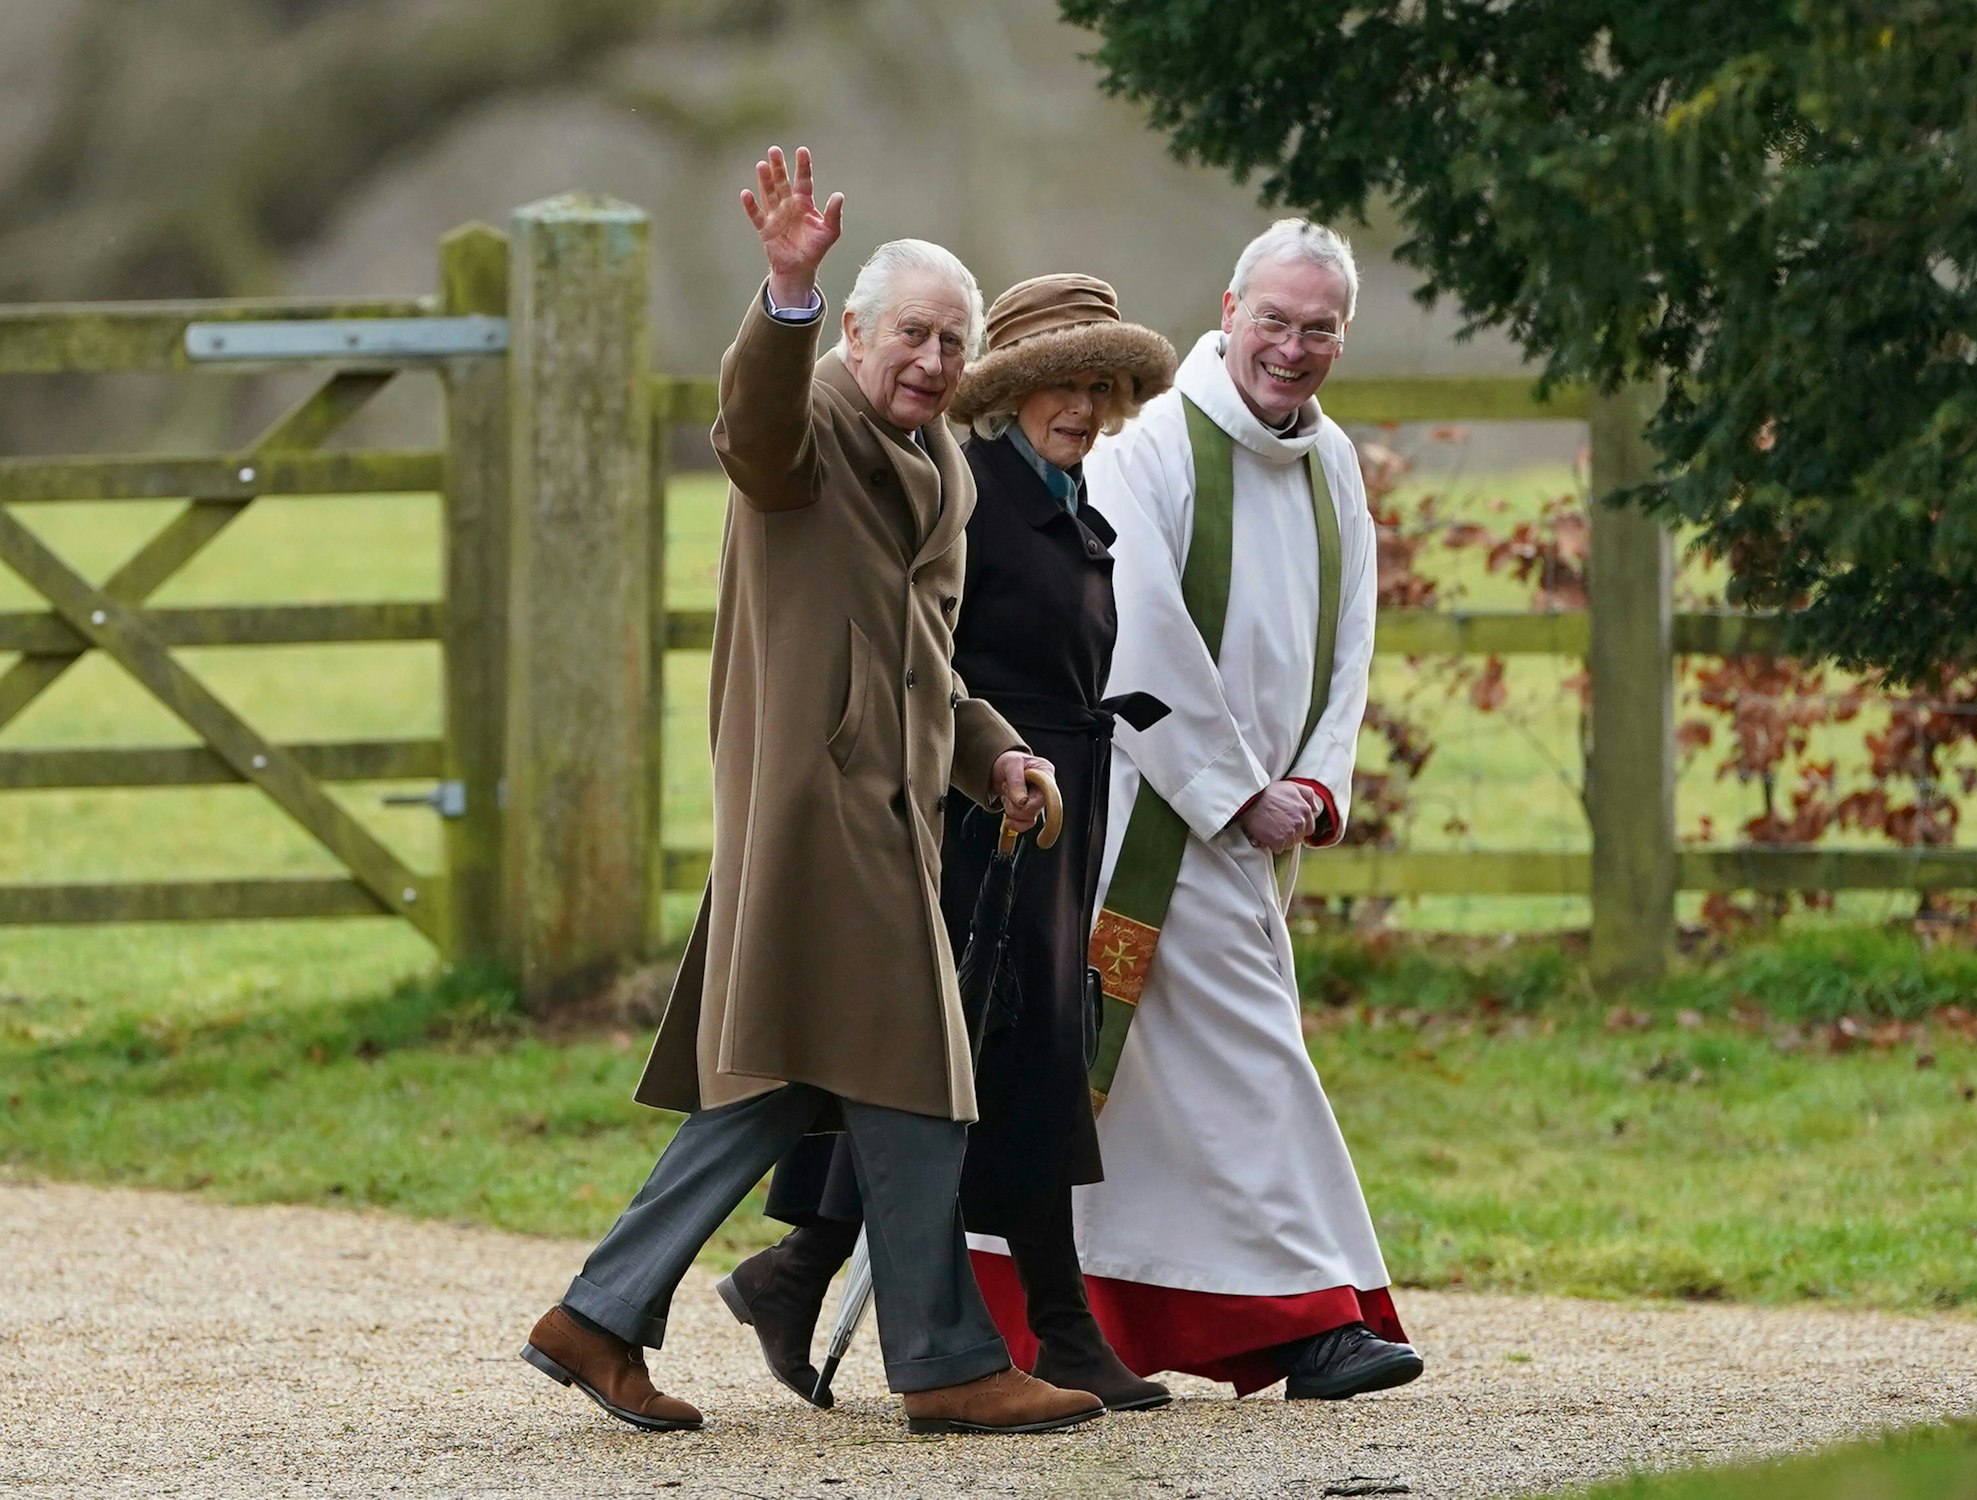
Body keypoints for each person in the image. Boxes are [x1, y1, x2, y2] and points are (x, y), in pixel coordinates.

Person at [519, 147, 1104, 1438]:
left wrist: (995, 754)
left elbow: (925, 661)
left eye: (952, 342)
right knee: (921, 1079)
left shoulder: (941, 462)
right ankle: (945, 1361)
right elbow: (751, 428)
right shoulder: (813, 425)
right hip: (816, 812)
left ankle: (599, 1316)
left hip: (893, 812)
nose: (933, 361)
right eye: (912, 334)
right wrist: (783, 294)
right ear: (854, 334)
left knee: (787, 1084)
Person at [978, 219, 1426, 1401]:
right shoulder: (1154, 445)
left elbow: (1351, 636)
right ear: (1229, 311)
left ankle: (1035, 1316)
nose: (1291, 347)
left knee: (1139, 1096)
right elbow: (1135, 633)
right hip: (1149, 815)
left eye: (1317, 328)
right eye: (1272, 320)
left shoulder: (1331, 462)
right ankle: (1312, 1320)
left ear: (1341, 338)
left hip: (1261, 823)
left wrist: (1315, 784)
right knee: (1248, 1058)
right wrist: (1234, 793)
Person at [717, 274, 1179, 1414]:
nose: (1084, 405)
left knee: (993, 1058)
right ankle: (1046, 1327)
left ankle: (797, 1272)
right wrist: (978, 765)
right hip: (970, 817)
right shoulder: (971, 488)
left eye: (1102, 386)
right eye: (1062, 383)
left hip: (1046, 797)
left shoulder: (1063, 494)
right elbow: (921, 652)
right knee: (969, 1059)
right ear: (1010, 391)